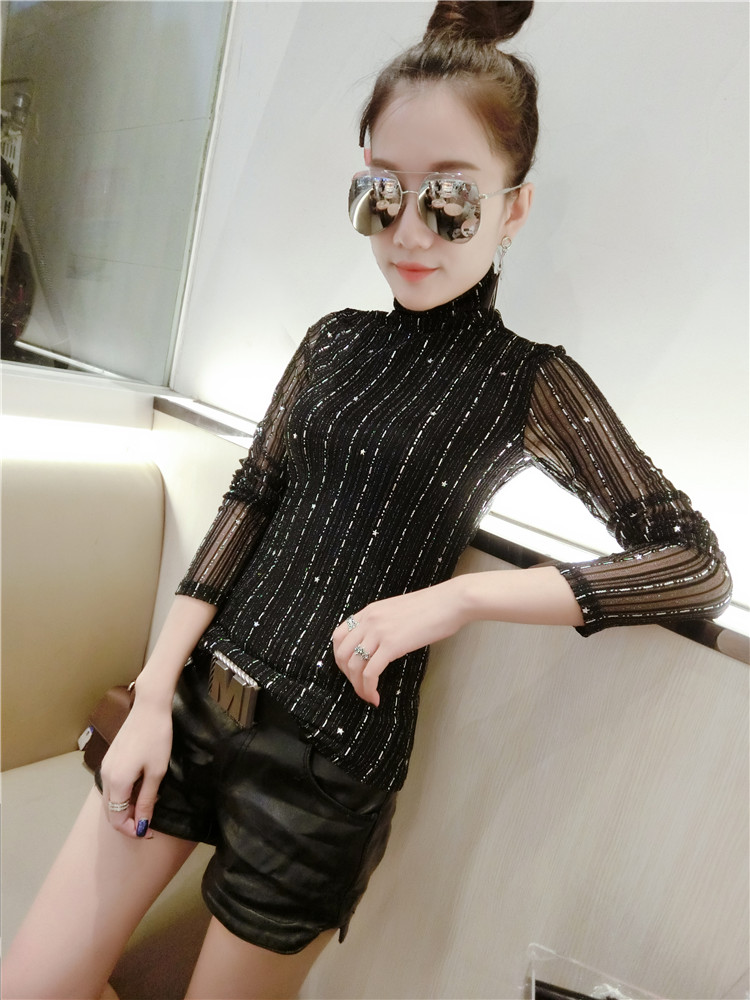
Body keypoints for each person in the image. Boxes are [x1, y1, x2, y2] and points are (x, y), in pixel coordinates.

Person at [2, 3, 732, 998]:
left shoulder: (528, 383)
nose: (409, 231)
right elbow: (247, 506)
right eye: (379, 193)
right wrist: (153, 689)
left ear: (514, 208)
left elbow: (694, 562)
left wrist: (459, 600)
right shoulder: (333, 339)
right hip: (193, 706)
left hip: (322, 776)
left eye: (451, 198)